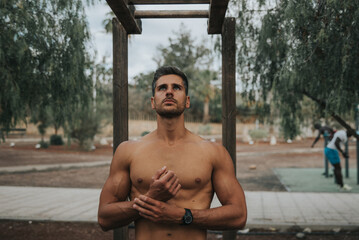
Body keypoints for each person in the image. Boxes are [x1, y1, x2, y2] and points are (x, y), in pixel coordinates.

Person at [98, 66, 247, 239]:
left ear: (187, 101)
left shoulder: (213, 152)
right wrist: (151, 198)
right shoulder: (128, 151)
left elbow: (239, 215)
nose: (169, 92)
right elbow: (104, 218)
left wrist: (182, 216)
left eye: (176, 87)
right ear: (153, 102)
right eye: (162, 88)